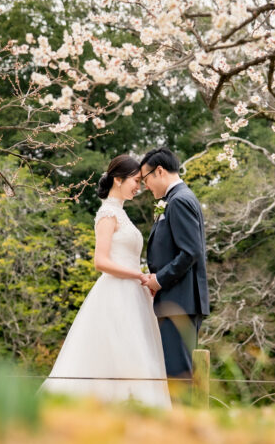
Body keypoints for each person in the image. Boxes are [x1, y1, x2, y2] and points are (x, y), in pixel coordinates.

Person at [40, 154, 171, 409]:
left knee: (136, 356)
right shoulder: (107, 213)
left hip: (133, 295)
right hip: (116, 294)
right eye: (135, 180)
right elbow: (100, 262)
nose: (139, 186)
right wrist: (139, 275)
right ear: (118, 179)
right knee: (116, 355)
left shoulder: (121, 214)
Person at [139, 147, 210, 384]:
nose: (145, 186)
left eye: (145, 179)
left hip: (179, 302)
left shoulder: (179, 200)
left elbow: (191, 252)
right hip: (176, 301)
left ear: (159, 171)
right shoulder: (173, 199)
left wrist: (159, 280)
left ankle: (185, 421)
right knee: (173, 375)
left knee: (179, 377)